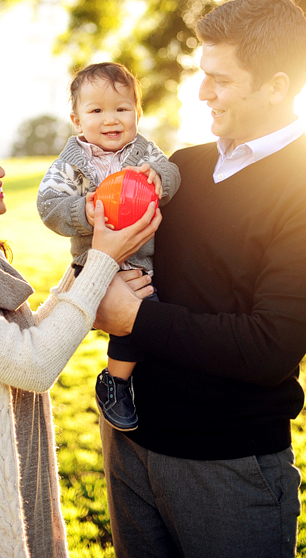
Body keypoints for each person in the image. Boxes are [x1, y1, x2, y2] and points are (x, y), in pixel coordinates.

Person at [92, 0, 306, 557]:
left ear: (277, 86)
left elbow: (269, 349)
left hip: (226, 466)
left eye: (222, 79)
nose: (203, 91)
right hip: (128, 442)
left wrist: (133, 315)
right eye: (202, 73)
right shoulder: (182, 167)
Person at [0, 106, 160, 558]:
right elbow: (32, 364)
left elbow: (22, 341)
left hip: (12, 472)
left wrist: (88, 267)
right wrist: (102, 261)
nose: (0, 168)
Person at [37, 62, 181, 431]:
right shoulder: (69, 166)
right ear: (76, 119)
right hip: (95, 262)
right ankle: (111, 380)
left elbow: (173, 174)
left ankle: (116, 380)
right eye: (96, 110)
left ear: (137, 113)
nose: (110, 119)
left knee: (143, 317)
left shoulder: (145, 152)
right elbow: (48, 206)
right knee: (118, 316)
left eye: (121, 109)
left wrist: (159, 177)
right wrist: (81, 211)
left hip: (138, 264)